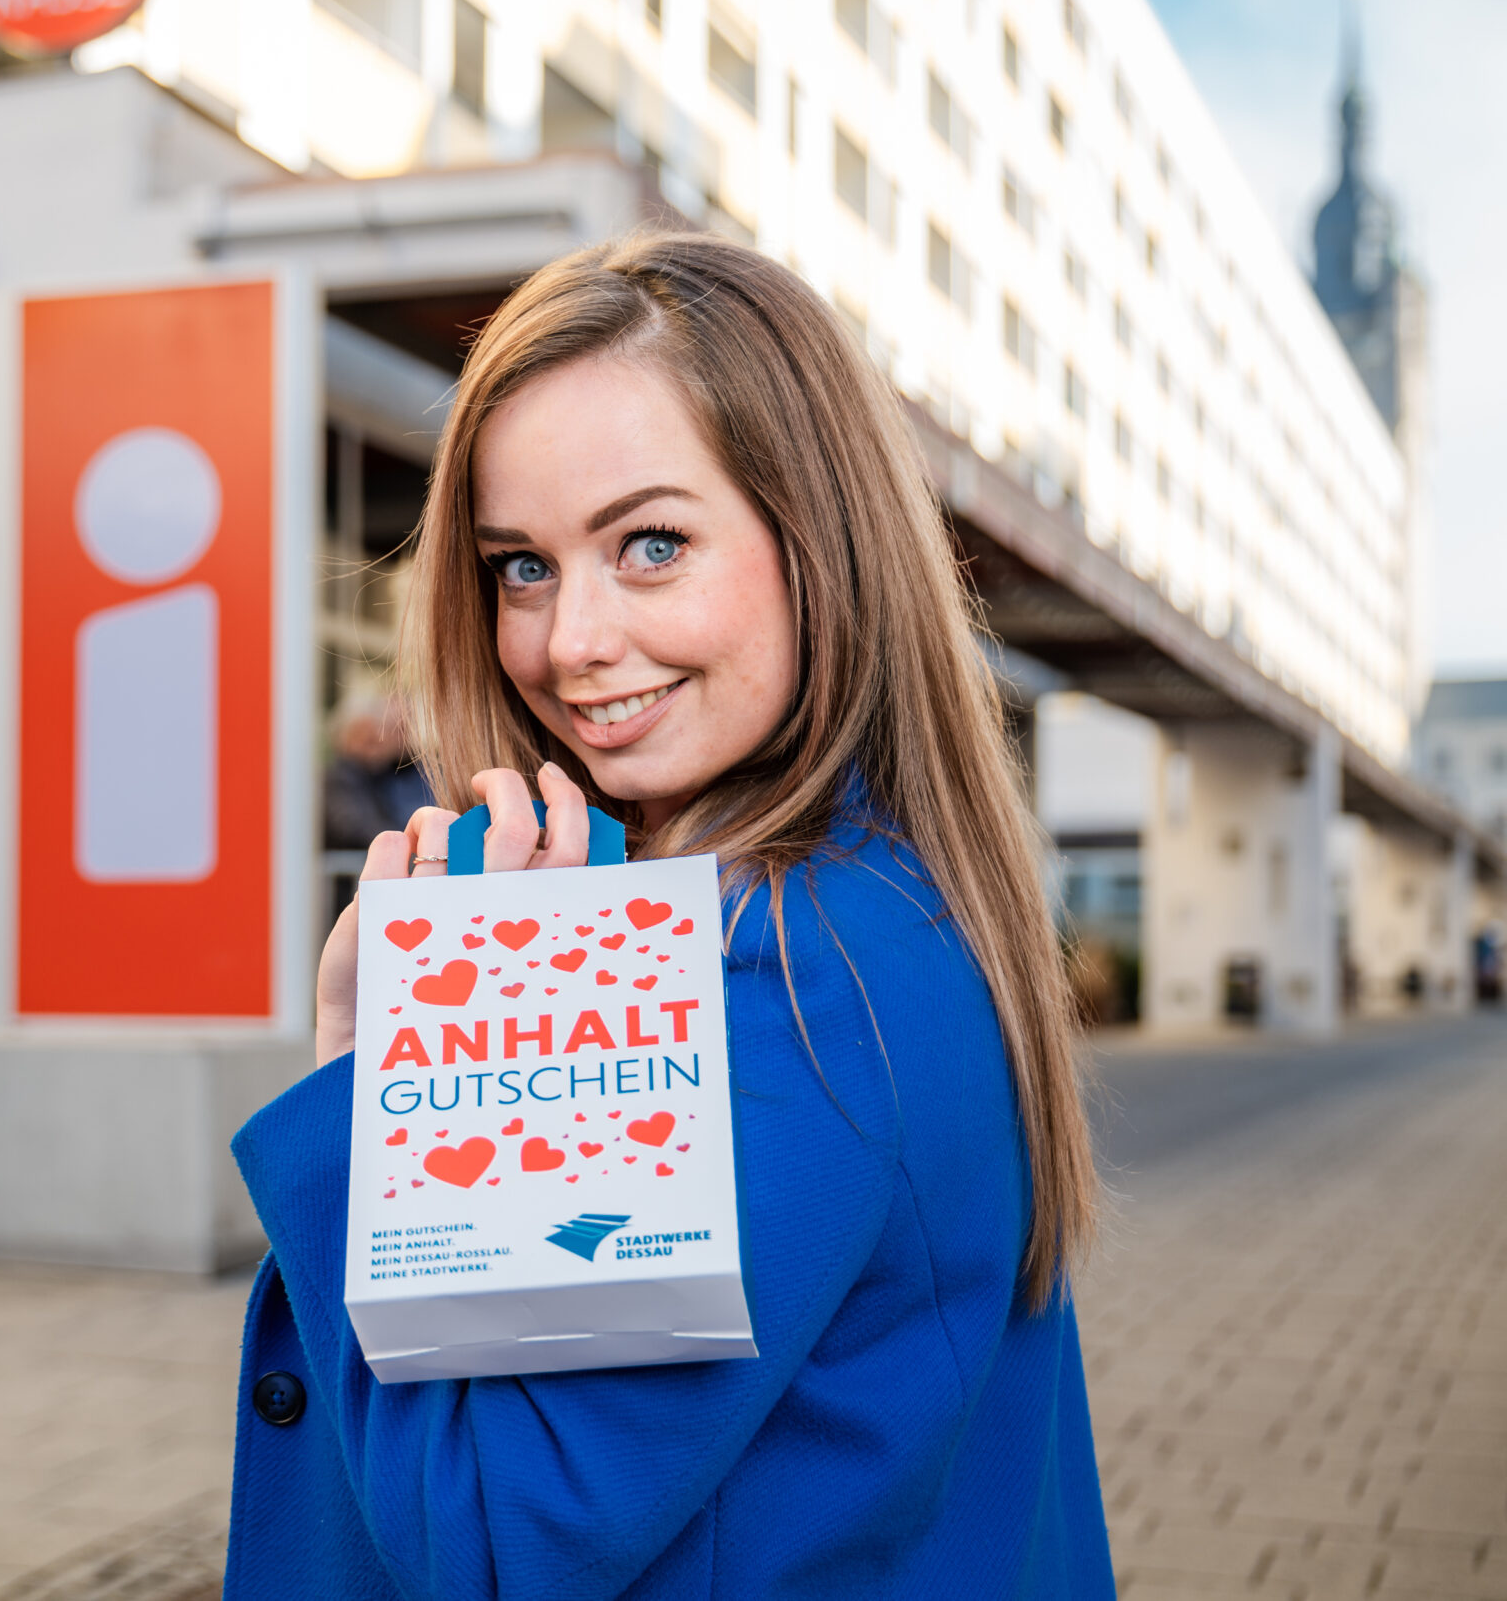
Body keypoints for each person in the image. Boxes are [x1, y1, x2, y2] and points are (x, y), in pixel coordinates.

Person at [225, 233, 1113, 1597]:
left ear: (820, 546)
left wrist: (372, 1080)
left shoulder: (775, 980)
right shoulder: (891, 908)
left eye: (651, 545)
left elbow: (496, 1547)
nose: (569, 640)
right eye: (521, 566)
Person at [322, 690, 436, 849]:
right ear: (349, 738)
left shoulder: (384, 774)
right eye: (370, 740)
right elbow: (358, 828)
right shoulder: (340, 780)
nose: (379, 747)